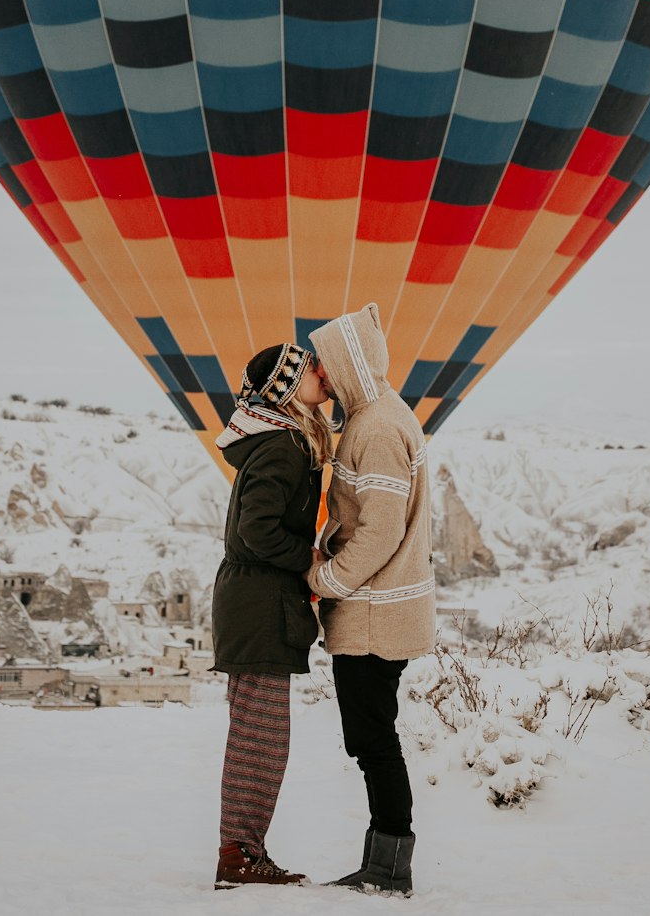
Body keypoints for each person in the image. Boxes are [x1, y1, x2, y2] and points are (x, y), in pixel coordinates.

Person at [306, 303, 435, 898]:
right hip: (376, 609)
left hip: (373, 614)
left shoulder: (378, 428)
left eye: (326, 366)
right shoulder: (377, 417)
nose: (320, 377)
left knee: (374, 742)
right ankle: (381, 864)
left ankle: (388, 869)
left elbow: (380, 531)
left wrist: (326, 581)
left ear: (348, 366)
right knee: (372, 740)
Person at [211, 340, 334, 890]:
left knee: (255, 735)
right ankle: (239, 856)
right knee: (261, 739)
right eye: (309, 370)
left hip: (253, 600)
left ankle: (243, 851)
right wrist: (306, 562)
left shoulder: (275, 442)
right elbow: (255, 532)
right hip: (261, 604)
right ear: (284, 388)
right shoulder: (283, 445)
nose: (321, 375)